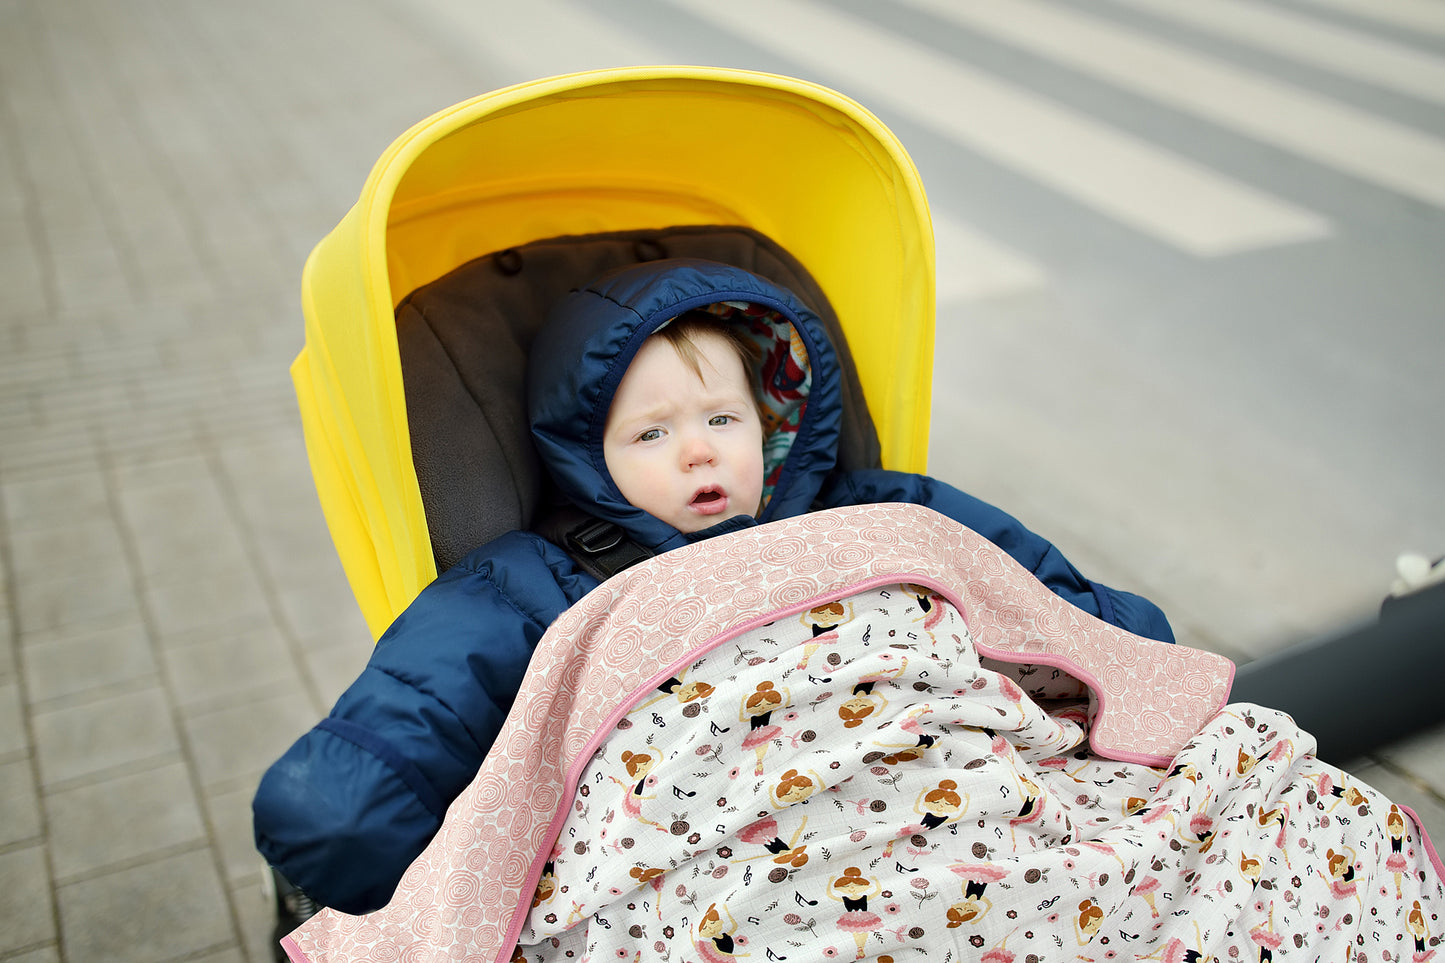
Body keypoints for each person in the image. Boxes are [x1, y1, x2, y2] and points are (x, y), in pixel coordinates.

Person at [252, 257, 1173, 917]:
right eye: (649, 434)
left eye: (722, 417)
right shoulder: (539, 576)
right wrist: (337, 815)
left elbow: (1027, 585)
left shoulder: (875, 508)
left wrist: (1136, 658)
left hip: (922, 794)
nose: (697, 448)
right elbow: (428, 690)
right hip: (701, 847)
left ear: (770, 423)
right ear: (587, 453)